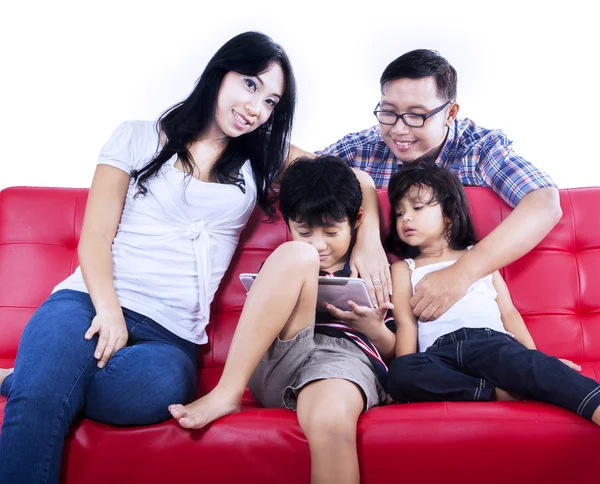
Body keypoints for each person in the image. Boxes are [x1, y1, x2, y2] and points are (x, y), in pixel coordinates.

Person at [0, 31, 298, 484]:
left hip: (171, 335)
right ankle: (37, 378)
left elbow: (348, 179)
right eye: (250, 84)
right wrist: (110, 312)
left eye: (271, 101)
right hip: (88, 303)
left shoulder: (263, 160)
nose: (256, 108)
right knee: (37, 401)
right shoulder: (138, 138)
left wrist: (372, 240)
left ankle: (29, 374)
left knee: (136, 393)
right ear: (220, 74)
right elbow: (95, 237)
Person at [291, 48, 562, 324]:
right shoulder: (366, 147)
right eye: (388, 112)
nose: (398, 129)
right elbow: (295, 165)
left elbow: (545, 203)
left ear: (450, 113)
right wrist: (368, 235)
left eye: (416, 116)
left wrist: (461, 273)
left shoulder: (478, 148)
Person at [169, 156, 396, 484]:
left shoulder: (376, 269)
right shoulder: (291, 259)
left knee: (330, 419)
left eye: (332, 231)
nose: (319, 244)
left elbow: (396, 352)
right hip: (281, 356)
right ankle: (227, 392)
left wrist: (374, 330)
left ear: (356, 220)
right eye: (303, 231)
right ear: (287, 223)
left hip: (344, 361)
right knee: (296, 255)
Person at [385, 163, 600, 426]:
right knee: (400, 373)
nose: (405, 218)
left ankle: (593, 406)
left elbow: (507, 311)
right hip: (440, 354)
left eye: (417, 208)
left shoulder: (478, 257)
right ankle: (497, 393)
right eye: (399, 213)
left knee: (531, 366)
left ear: (450, 213)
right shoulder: (403, 269)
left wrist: (536, 358)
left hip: (491, 343)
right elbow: (406, 324)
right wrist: (404, 373)